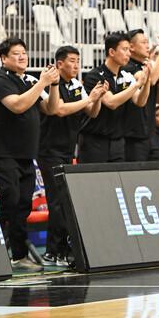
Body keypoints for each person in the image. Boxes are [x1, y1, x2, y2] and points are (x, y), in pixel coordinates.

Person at [0, 38, 61, 271]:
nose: (22, 57)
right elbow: (17, 105)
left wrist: (54, 85)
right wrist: (42, 82)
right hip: (3, 153)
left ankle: (18, 256)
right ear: (3, 58)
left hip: (26, 155)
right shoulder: (0, 81)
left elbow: (52, 108)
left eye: (24, 53)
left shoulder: (29, 81)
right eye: (16, 53)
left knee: (23, 204)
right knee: (10, 198)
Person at [37, 46, 106, 267]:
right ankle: (52, 251)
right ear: (59, 64)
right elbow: (59, 110)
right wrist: (89, 99)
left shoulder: (76, 85)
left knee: (66, 201)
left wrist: (97, 98)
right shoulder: (47, 84)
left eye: (78, 61)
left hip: (68, 151)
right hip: (49, 150)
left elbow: (92, 112)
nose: (76, 65)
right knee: (56, 201)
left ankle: (63, 249)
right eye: (72, 61)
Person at [79, 33, 151, 163]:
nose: (128, 53)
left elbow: (140, 101)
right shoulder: (95, 75)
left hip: (118, 142)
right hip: (95, 141)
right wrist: (137, 84)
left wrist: (147, 81)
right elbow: (111, 102)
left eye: (129, 49)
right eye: (124, 49)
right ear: (111, 52)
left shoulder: (126, 75)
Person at [123, 30, 159, 161]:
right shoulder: (127, 66)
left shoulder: (148, 64)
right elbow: (151, 80)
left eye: (147, 42)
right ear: (131, 47)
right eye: (143, 42)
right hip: (133, 134)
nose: (147, 45)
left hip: (150, 131)